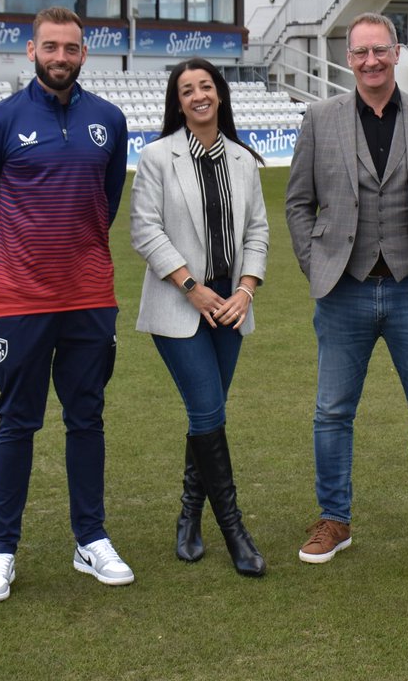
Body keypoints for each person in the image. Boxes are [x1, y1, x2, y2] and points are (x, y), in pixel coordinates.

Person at [285, 13, 408, 570]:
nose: (370, 61)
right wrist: (313, 263)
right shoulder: (320, 118)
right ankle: (334, 519)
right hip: (344, 289)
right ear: (349, 58)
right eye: (360, 52)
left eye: (379, 51)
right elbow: (298, 202)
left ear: (397, 52)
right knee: (331, 412)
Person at [0, 6, 133, 603]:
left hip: (90, 299)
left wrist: (73, 257)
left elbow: (105, 202)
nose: (61, 57)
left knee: (86, 418)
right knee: (18, 424)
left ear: (84, 54)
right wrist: (20, 261)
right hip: (20, 301)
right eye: (50, 47)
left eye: (71, 48)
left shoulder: (108, 121)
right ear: (30, 51)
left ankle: (90, 539)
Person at [130, 57, 269, 577]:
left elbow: (257, 232)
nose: (197, 96)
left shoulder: (242, 160)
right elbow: (145, 231)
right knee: (209, 412)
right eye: (186, 90)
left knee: (203, 417)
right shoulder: (156, 157)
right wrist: (191, 287)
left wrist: (246, 290)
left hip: (230, 311)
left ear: (219, 94)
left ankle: (189, 516)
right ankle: (234, 530)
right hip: (180, 307)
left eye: (205, 86)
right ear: (178, 101)